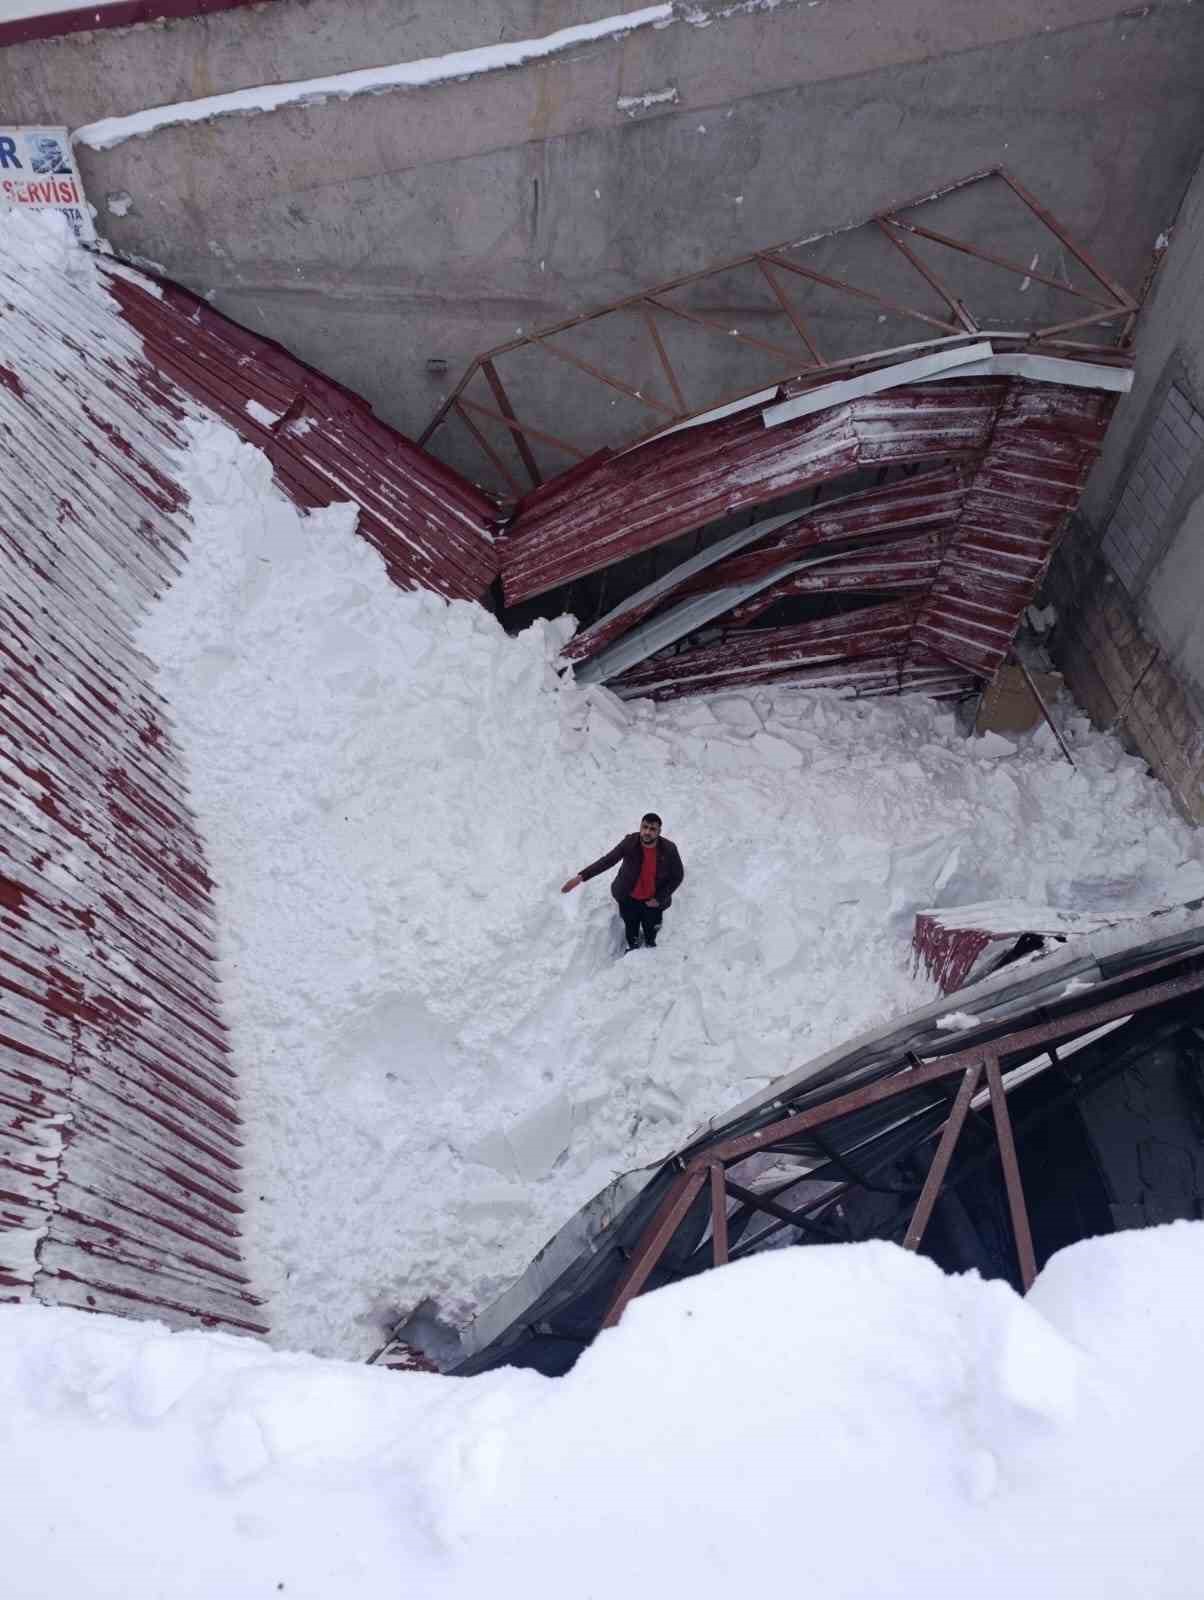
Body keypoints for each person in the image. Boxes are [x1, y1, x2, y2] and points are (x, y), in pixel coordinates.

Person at [561, 813, 685, 951]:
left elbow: (677, 875)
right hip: (629, 897)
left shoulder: (669, 849)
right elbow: (608, 860)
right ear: (640, 827)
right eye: (645, 827)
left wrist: (659, 898)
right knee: (631, 928)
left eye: (652, 829)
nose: (647, 832)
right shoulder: (630, 842)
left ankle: (650, 943)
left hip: (653, 901)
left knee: (651, 928)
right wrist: (581, 877)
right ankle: (633, 947)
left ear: (659, 832)